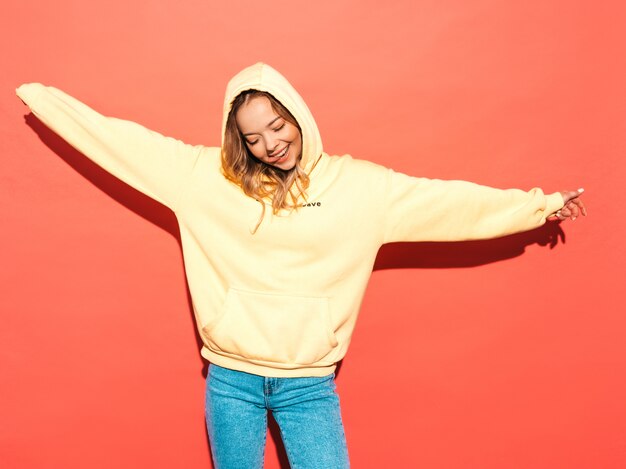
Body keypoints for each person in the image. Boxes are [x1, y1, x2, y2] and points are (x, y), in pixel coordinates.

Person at [16, 62, 586, 469]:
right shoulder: (203, 179)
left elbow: (450, 202)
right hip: (230, 379)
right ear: (238, 141)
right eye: (253, 137)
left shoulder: (360, 188)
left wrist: (536, 205)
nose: (271, 144)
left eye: (278, 126)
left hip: (309, 384)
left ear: (298, 117)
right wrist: (40, 97)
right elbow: (120, 141)